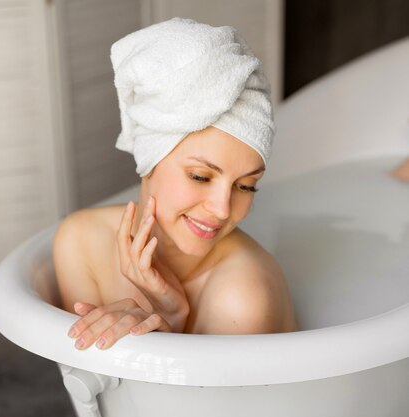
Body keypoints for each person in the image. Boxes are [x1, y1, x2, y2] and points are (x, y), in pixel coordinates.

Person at [53, 18, 297, 351]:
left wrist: (172, 321)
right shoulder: (81, 241)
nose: (223, 209)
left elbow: (215, 405)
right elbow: (91, 382)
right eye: (200, 176)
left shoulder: (242, 294)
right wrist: (168, 313)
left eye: (246, 186)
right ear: (148, 161)